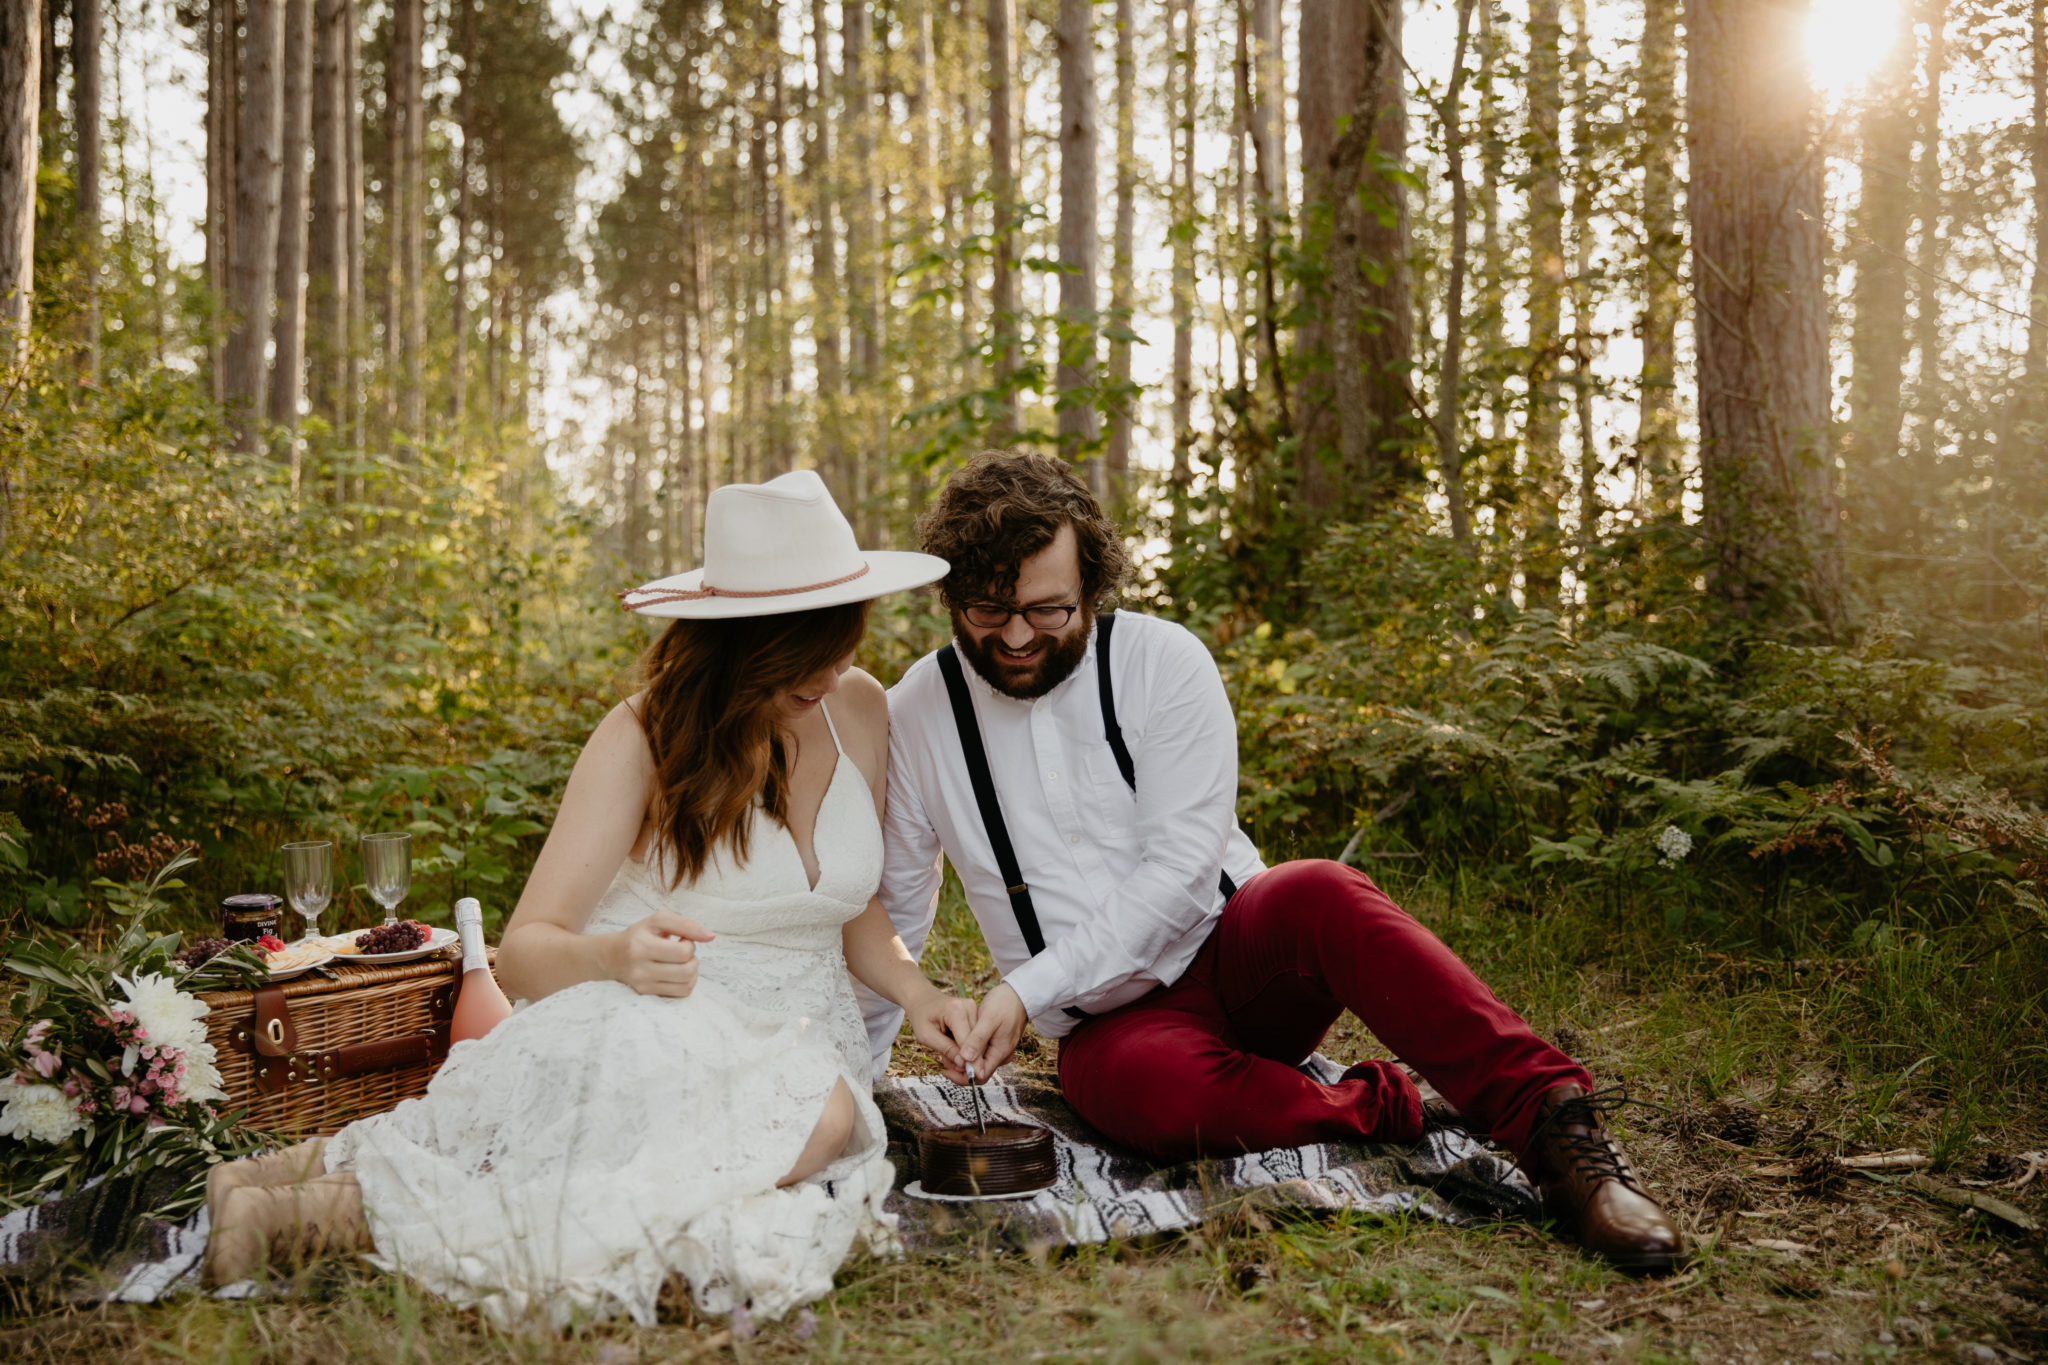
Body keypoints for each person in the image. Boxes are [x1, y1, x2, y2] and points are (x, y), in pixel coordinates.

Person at [862, 450, 1686, 1275]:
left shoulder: (1163, 663)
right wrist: (859, 1080)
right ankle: (1373, 1104)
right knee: (1148, 1093)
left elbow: (1182, 874)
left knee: (1322, 889)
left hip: (1240, 951)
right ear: (950, 595)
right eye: (986, 609)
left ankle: (1557, 1130)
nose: (1014, 636)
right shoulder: (918, 714)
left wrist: (1021, 989)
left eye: (1047, 610)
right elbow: (896, 907)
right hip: (1113, 1028)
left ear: (1094, 584)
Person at [203, 470, 974, 1325]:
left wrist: (920, 991)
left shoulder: (857, 707)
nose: (830, 670)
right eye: (805, 651)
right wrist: (619, 953)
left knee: (804, 1119)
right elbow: (526, 947)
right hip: (652, 1017)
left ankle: (282, 1180)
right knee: (810, 1125)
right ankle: (311, 1213)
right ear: (741, 639)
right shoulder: (643, 736)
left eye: (844, 640)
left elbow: (847, 907)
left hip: (800, 1035)